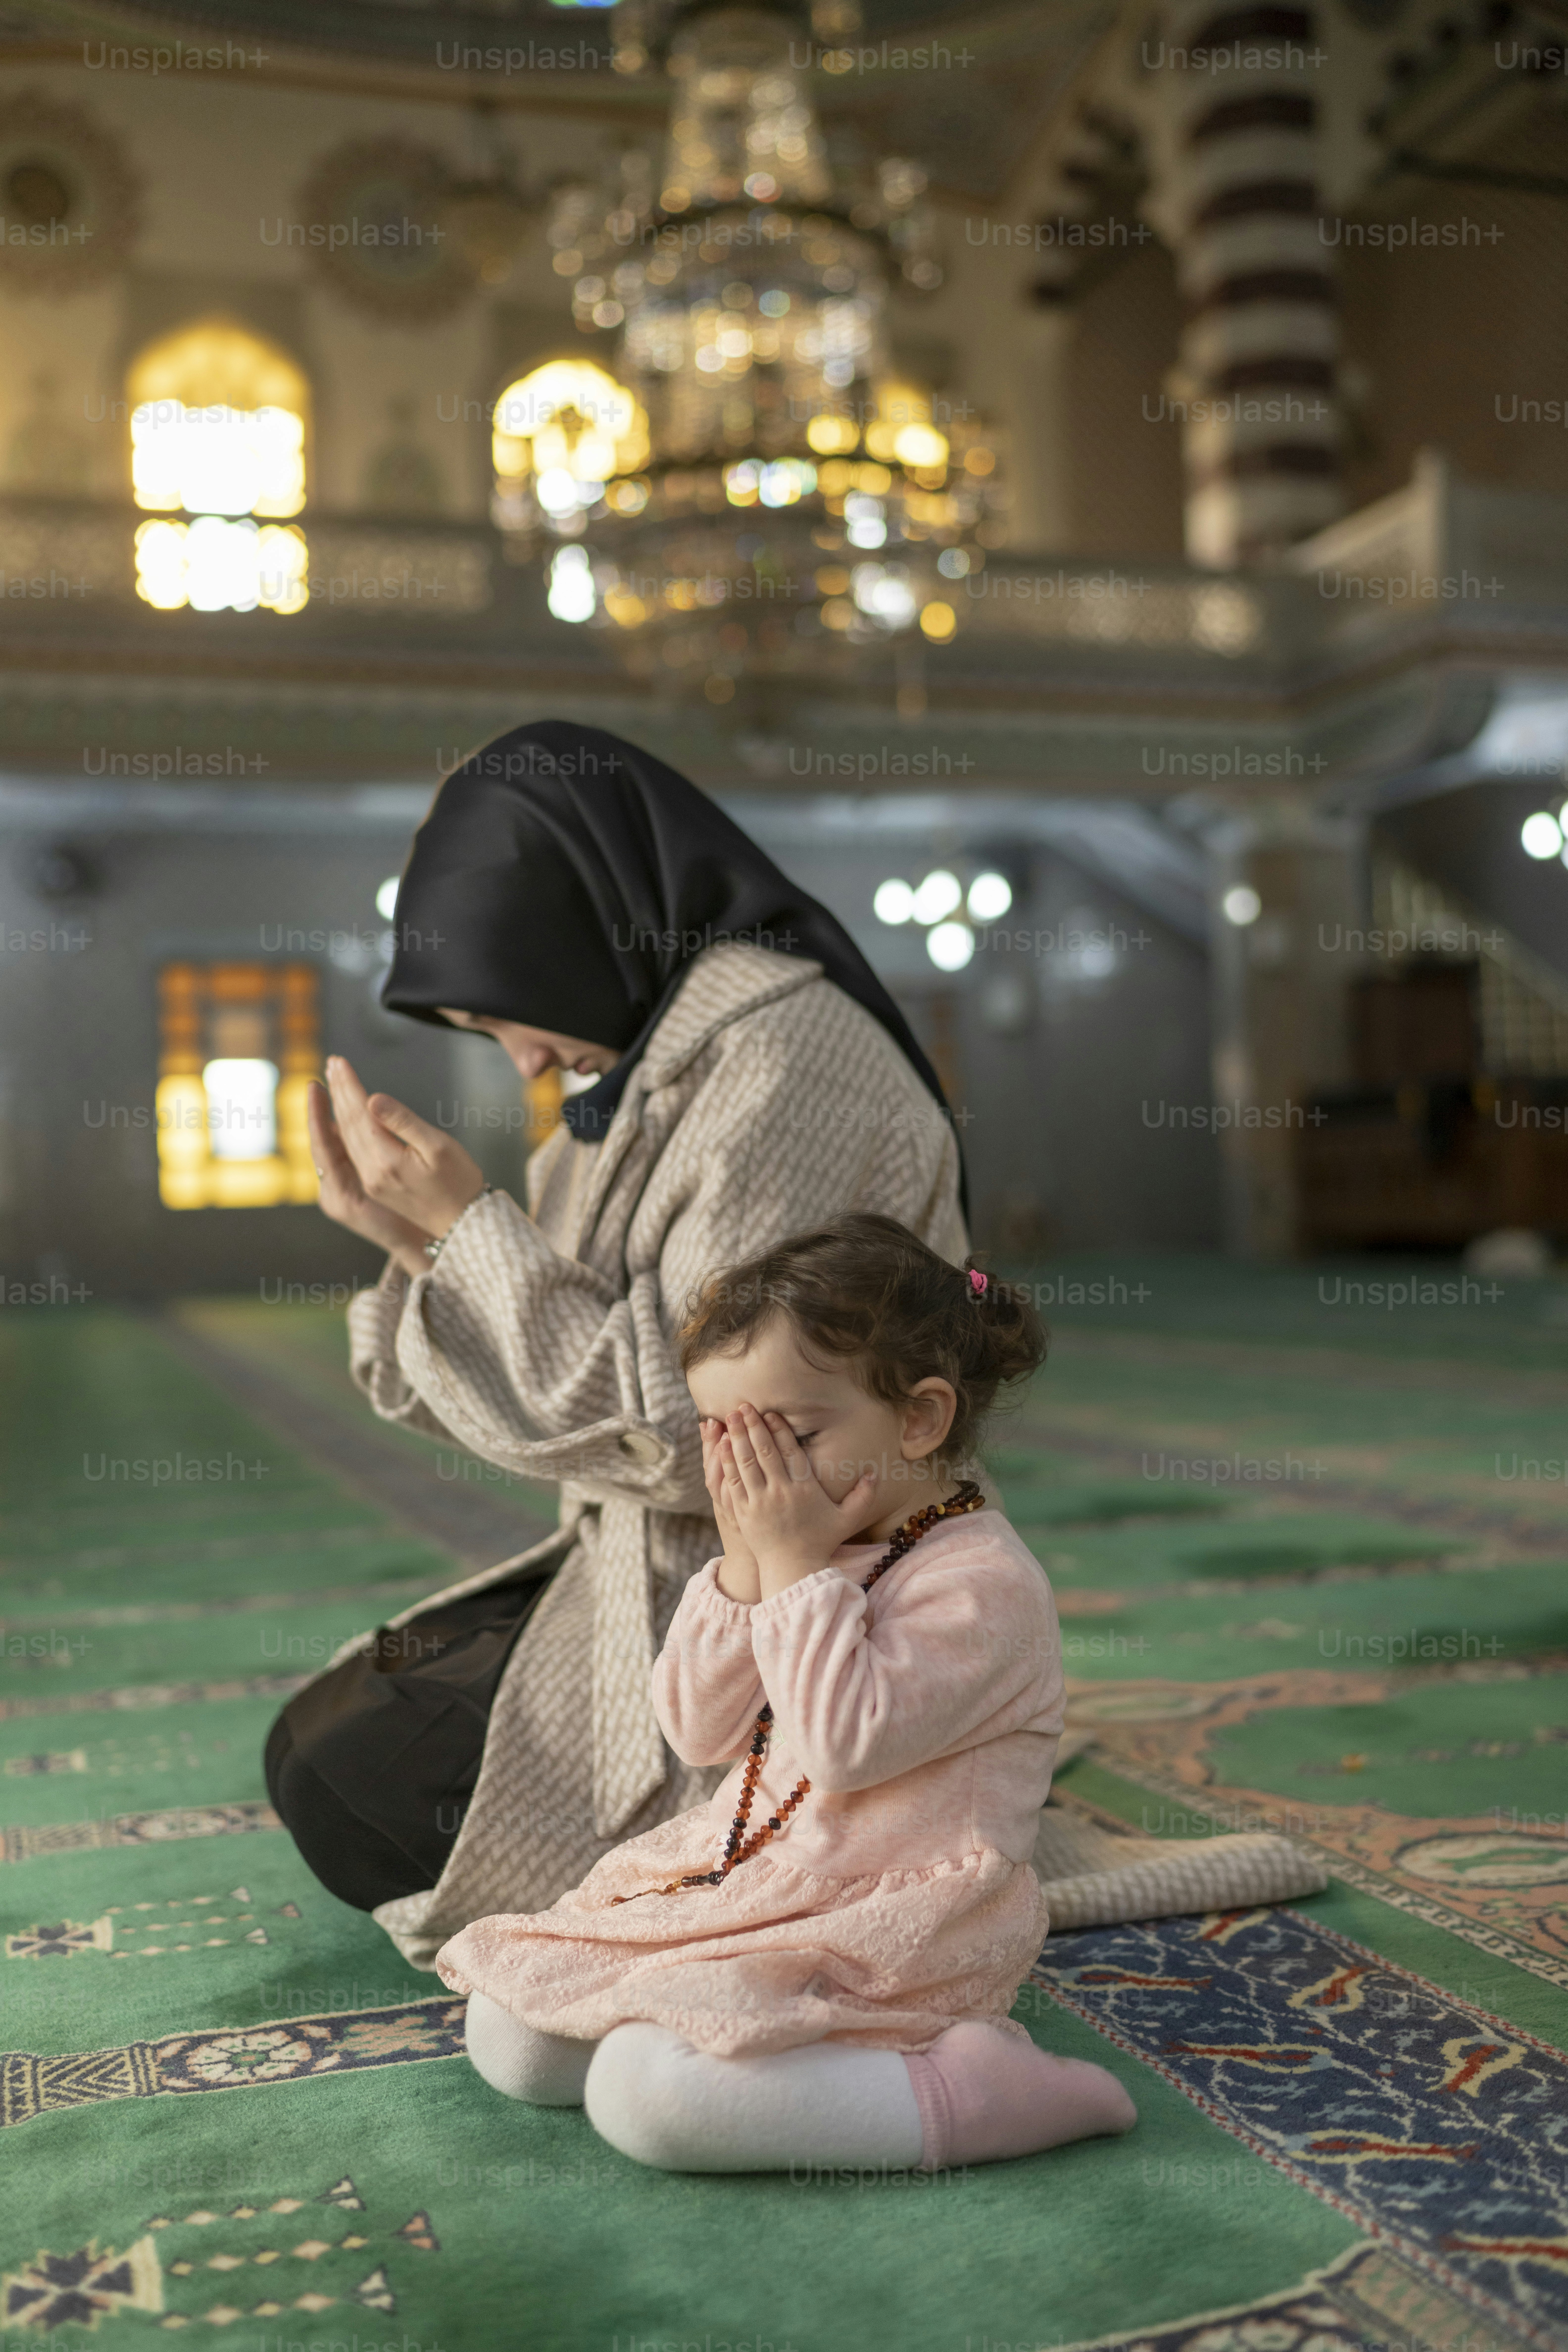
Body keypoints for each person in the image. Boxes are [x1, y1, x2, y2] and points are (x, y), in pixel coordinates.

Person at [265, 720, 968, 1968]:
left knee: (347, 1774)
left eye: (513, 1017)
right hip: (672, 1573)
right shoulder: (638, 1082)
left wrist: (468, 1230)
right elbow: (552, 1408)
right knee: (325, 1744)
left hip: (801, 1583)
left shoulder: (783, 1065)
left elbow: (704, 1433)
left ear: (586, 929)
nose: (526, 1058)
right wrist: (421, 1242)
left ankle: (789, 1831)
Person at [437, 1213, 1138, 2175]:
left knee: (651, 2099)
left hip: (901, 1927)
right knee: (513, 2037)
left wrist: (800, 1568)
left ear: (921, 1420)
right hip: (762, 1882)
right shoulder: (809, 1552)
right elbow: (697, 1730)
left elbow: (845, 1745)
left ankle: (972, 2092)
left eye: (793, 1435)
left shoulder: (981, 1583)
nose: (757, 1472)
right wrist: (743, 1567)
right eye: (730, 1437)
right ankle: (747, 2051)